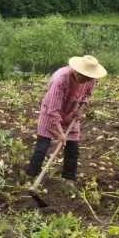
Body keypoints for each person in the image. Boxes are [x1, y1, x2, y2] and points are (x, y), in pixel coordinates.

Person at [25, 55, 107, 187]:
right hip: (51, 113)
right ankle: (31, 174)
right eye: (84, 77)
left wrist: (80, 108)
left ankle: (69, 178)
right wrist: (59, 133)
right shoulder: (61, 80)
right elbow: (52, 110)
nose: (86, 80)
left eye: (89, 78)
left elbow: (87, 95)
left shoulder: (91, 79)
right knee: (42, 146)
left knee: (73, 148)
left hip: (72, 112)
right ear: (76, 71)